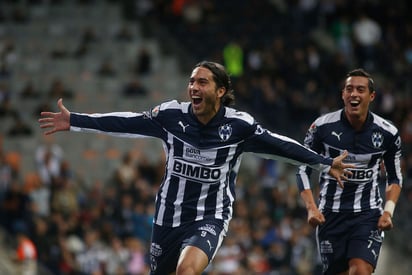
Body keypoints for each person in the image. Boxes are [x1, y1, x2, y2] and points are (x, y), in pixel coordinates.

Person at [39, 61, 354, 275]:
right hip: (168, 217)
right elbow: (126, 122)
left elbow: (280, 146)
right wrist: (75, 121)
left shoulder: (239, 126)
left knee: (186, 270)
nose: (193, 87)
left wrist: (325, 164)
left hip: (210, 216)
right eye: (191, 81)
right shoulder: (170, 116)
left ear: (220, 91)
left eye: (202, 82)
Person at [296, 68, 403, 275]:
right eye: (349, 89)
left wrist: (388, 212)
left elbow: (395, 177)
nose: (354, 94)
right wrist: (311, 207)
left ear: (371, 96)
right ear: (343, 95)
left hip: (367, 215)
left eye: (360, 89)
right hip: (331, 216)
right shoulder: (321, 128)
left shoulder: (388, 133)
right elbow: (302, 168)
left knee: (360, 270)